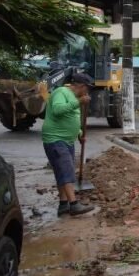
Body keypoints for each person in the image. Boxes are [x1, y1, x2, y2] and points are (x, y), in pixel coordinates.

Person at [42, 73, 96, 216]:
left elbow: (71, 117)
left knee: (62, 172)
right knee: (66, 171)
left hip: (66, 140)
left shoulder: (73, 98)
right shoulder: (61, 92)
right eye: (87, 89)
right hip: (55, 139)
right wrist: (79, 102)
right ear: (82, 86)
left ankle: (63, 205)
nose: (88, 92)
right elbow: (58, 110)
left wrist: (78, 133)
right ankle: (73, 205)